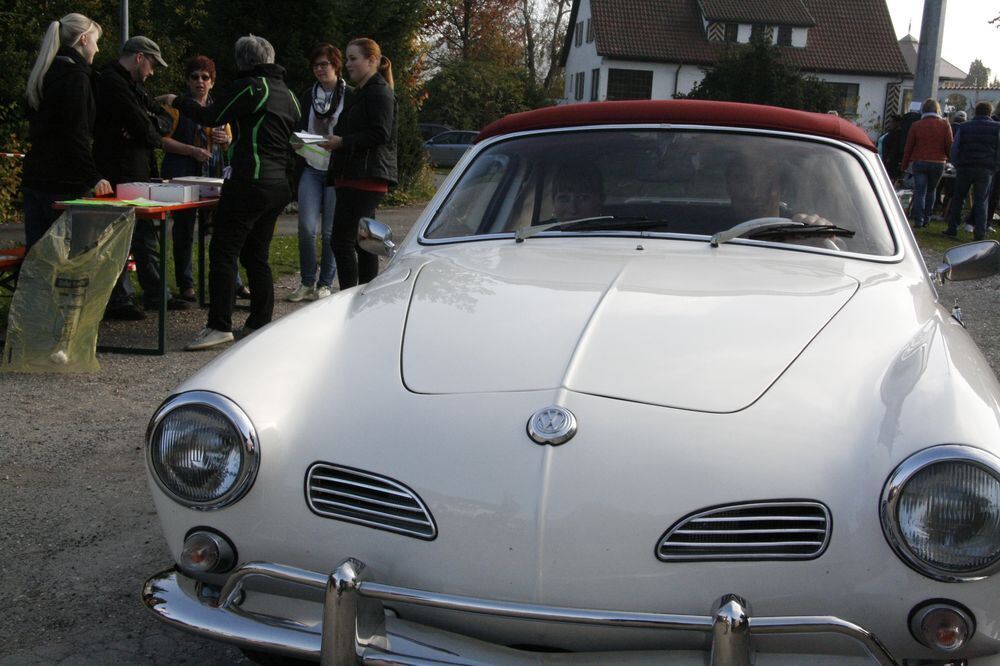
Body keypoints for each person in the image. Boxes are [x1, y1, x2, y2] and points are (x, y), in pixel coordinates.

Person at [165, 35, 300, 350]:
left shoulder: (252, 87)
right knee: (256, 254)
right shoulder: (289, 94)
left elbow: (213, 116)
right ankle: (259, 322)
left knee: (224, 251)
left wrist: (177, 101)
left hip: (250, 181)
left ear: (245, 62)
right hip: (279, 184)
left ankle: (219, 326)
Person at [93, 35, 181, 320]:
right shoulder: (112, 82)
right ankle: (120, 298)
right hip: (118, 171)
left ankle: (155, 292)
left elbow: (160, 122)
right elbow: (146, 128)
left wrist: (148, 125)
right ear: (140, 57)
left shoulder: (132, 86)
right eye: (152, 64)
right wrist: (147, 126)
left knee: (146, 236)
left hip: (137, 169)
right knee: (119, 237)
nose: (152, 71)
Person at [21, 13, 112, 251]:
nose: (97, 49)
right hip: (64, 182)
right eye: (95, 41)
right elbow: (75, 135)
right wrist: (94, 176)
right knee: (71, 258)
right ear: (83, 39)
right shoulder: (76, 78)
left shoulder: (44, 72)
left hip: (35, 176)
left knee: (39, 257)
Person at [159, 55, 241, 303]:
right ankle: (186, 284)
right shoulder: (175, 107)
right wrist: (191, 150)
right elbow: (160, 140)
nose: (200, 82)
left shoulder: (219, 109)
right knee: (183, 230)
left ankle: (231, 282)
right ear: (187, 80)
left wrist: (225, 142)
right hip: (182, 172)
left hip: (213, 175)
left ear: (212, 82)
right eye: (194, 77)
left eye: (205, 77)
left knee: (224, 230)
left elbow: (230, 144)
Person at [323, 38, 397, 290]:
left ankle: (350, 299)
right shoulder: (361, 93)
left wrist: (342, 142)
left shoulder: (379, 92)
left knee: (341, 242)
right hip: (354, 175)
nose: (348, 64)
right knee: (364, 242)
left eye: (353, 58)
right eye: (347, 58)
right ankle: (365, 298)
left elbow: (381, 133)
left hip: (365, 177)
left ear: (372, 60)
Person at [288, 43, 347, 302]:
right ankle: (307, 282)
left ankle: (325, 283)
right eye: (316, 65)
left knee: (330, 231)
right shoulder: (306, 95)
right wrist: (297, 141)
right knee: (306, 227)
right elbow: (298, 127)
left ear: (336, 65)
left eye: (325, 64)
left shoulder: (349, 95)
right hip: (311, 167)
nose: (320, 69)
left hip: (337, 170)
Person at [944, 102, 1000, 240]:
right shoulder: (997, 128)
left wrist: (956, 164)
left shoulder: (965, 126)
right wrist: (995, 166)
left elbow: (955, 148)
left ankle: (952, 228)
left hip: (965, 166)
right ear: (989, 112)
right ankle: (980, 232)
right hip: (986, 168)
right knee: (981, 201)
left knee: (958, 198)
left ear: (975, 112)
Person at [900, 98, 952, 229]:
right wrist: (950, 160)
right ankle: (927, 218)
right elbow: (949, 145)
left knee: (919, 191)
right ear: (937, 110)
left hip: (920, 161)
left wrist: (904, 164)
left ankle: (918, 219)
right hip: (938, 161)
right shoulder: (945, 124)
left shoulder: (916, 125)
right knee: (932, 190)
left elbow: (909, 146)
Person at [877, 114, 903, 184]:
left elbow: (894, 149)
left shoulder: (897, 134)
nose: (890, 124)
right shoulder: (889, 133)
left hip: (889, 162)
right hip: (880, 158)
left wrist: (889, 159)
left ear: (897, 123)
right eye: (889, 122)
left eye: (892, 122)